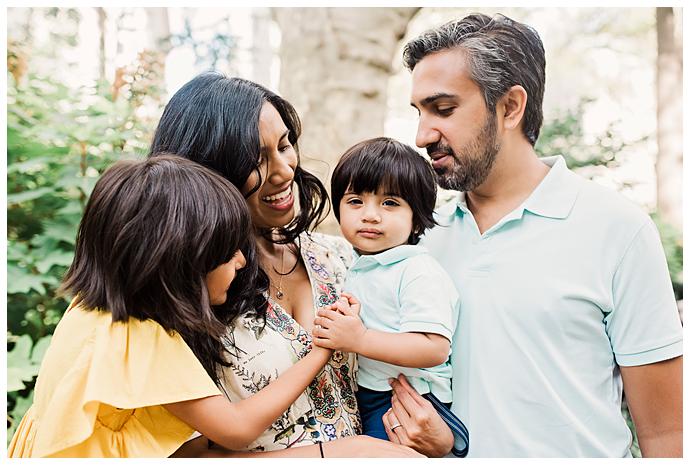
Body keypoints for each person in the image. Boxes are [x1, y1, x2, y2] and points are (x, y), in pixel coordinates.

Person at [383, 13, 683, 458]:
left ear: (510, 107)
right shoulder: (419, 240)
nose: (423, 135)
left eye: (443, 109)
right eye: (419, 112)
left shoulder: (618, 229)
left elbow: (667, 435)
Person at [148, 74, 420, 458]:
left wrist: (439, 433)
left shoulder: (342, 257)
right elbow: (177, 453)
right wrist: (339, 455)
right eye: (256, 159)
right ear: (207, 172)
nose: (284, 170)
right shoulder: (186, 291)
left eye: (284, 145)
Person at [8, 155, 339, 457]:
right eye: (226, 252)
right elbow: (237, 428)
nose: (241, 262)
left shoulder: (89, 310)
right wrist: (320, 351)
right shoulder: (144, 339)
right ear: (180, 263)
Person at [311, 137, 461, 443]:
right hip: (372, 392)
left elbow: (433, 348)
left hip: (409, 399)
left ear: (417, 219)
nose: (370, 215)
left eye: (390, 203)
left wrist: (360, 339)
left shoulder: (417, 270)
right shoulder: (357, 264)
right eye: (355, 201)